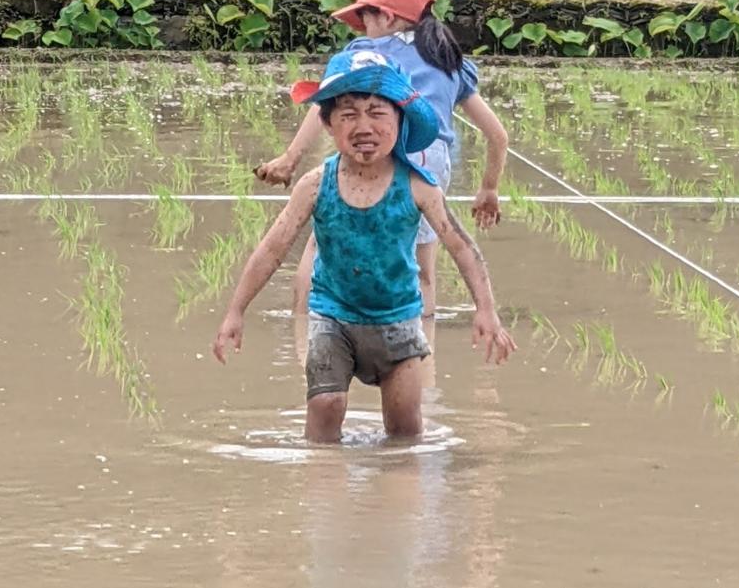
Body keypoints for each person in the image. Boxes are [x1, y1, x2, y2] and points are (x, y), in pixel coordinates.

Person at [213, 59, 514, 443]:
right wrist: (235, 312)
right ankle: (322, 487)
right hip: (333, 316)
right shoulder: (315, 184)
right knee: (325, 406)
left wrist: (486, 311)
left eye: (377, 113)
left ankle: (396, 499)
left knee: (405, 429)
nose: (364, 127)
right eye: (349, 115)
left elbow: (461, 247)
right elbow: (273, 248)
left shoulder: (420, 187)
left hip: (399, 319)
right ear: (328, 124)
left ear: (400, 120)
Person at [255, 0, 509, 313]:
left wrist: (289, 159)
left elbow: (324, 108)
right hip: (431, 159)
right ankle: (421, 350)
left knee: (320, 248)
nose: (362, 31)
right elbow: (498, 135)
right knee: (421, 268)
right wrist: (489, 189)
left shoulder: (366, 52)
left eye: (365, 20)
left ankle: (306, 329)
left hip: (378, 149)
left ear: (388, 17)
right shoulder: (449, 61)